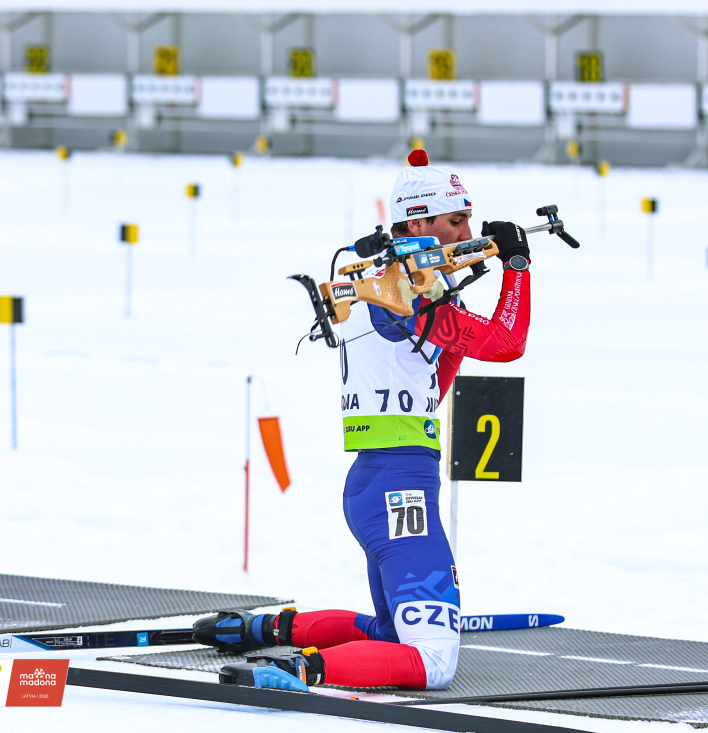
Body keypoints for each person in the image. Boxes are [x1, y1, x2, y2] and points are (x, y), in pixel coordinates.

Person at [194, 150, 532, 691]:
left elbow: (430, 386)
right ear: (417, 224)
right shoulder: (403, 291)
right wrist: (516, 269)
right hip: (402, 490)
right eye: (456, 221)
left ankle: (266, 630)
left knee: (390, 632)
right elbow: (508, 343)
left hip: (377, 480)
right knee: (432, 662)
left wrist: (456, 299)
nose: (468, 232)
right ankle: (298, 669)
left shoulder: (374, 274)